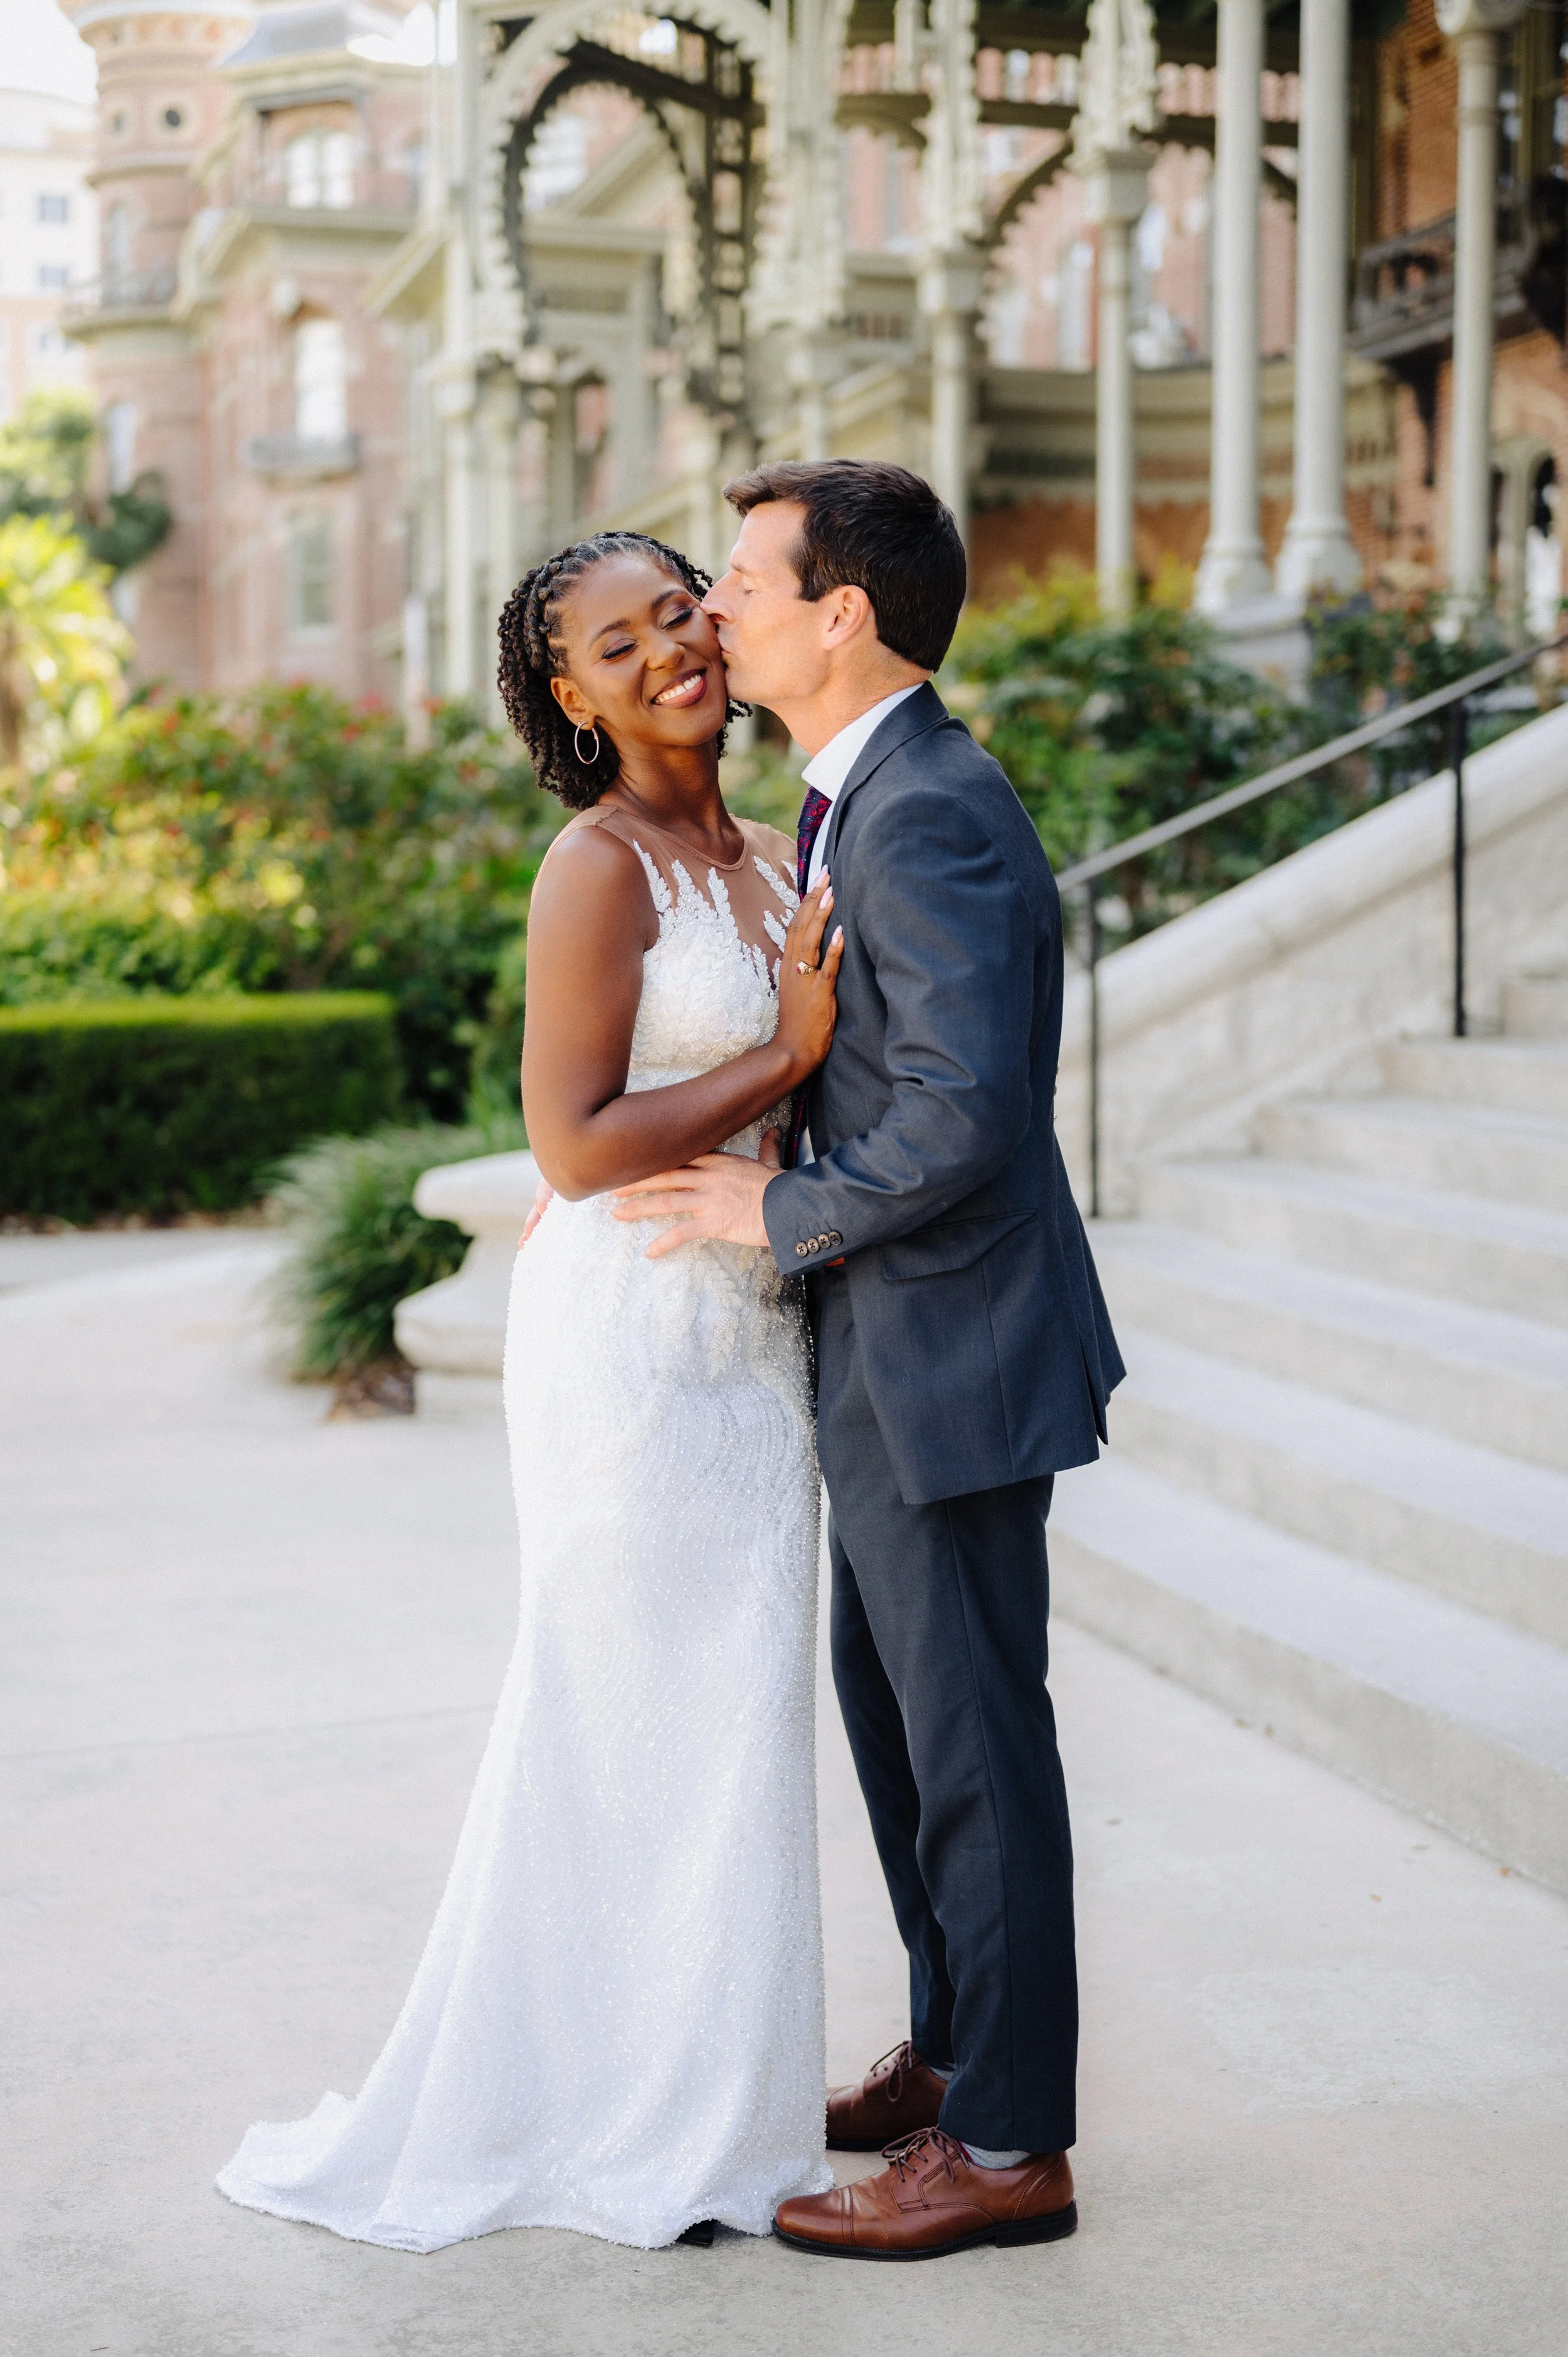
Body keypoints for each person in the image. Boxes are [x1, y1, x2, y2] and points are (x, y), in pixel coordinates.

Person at [216, 531, 844, 2252]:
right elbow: (567, 1139)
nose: (666, 653)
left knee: (730, 1728)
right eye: (617, 642)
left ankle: (718, 2104)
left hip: (756, 1336)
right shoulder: (600, 864)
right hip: (634, 1345)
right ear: (570, 693)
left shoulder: (764, 843)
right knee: (616, 1706)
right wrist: (782, 1053)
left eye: (676, 614)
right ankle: (600, 2108)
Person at [614, 460, 1125, 2261]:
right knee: (902, 1724)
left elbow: (969, 1111)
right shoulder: (856, 793)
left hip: (956, 1347)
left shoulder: (929, 809)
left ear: (844, 612)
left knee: (974, 1743)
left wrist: (784, 1213)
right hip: (897, 1346)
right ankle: (954, 2054)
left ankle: (1006, 2146)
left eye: (745, 580)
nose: (716, 606)